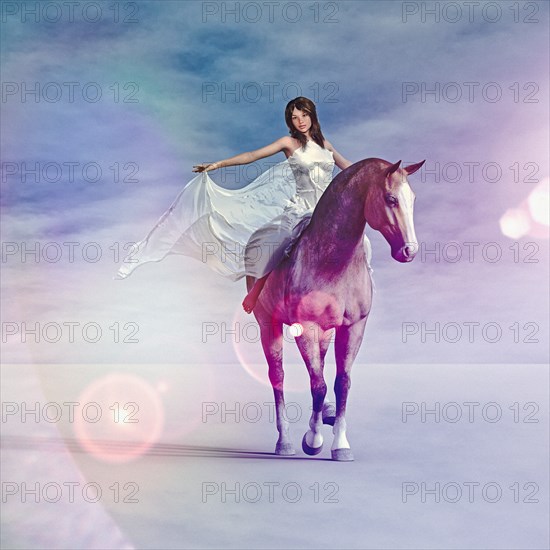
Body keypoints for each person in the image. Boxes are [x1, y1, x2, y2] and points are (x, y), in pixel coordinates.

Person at [116, 97, 360, 313]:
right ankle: (256, 291)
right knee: (280, 241)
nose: (300, 121)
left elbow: (351, 167)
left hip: (326, 209)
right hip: (302, 210)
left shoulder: (326, 146)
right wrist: (217, 165)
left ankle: (358, 290)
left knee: (360, 242)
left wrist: (386, 174)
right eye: (295, 117)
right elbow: (252, 156)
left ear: (312, 115)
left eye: (304, 115)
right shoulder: (289, 143)